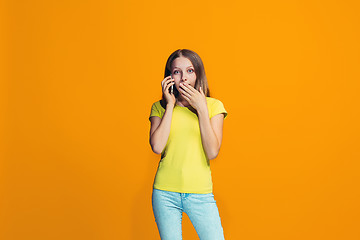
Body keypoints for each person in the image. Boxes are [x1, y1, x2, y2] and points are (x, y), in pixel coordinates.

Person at [148, 49, 228, 240]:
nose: (183, 78)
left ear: (198, 73)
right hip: (165, 193)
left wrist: (201, 108)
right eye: (177, 72)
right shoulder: (159, 107)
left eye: (190, 71)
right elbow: (157, 146)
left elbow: (212, 151)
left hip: (200, 193)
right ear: (169, 77)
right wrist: (169, 105)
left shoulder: (214, 106)